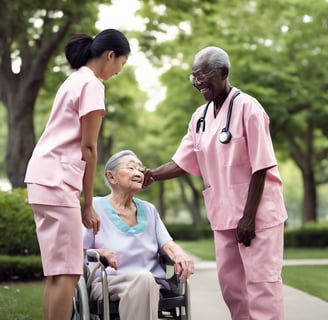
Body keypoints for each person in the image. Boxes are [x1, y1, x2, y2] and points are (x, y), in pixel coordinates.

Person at [143, 46, 288, 320]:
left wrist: (248, 216)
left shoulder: (249, 108)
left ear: (223, 73)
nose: (198, 82)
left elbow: (262, 164)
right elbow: (183, 161)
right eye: (194, 77)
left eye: (203, 76)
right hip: (223, 217)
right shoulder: (199, 117)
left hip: (257, 216)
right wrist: (152, 174)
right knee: (232, 288)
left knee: (261, 285)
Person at [24, 29, 131, 320]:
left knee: (56, 274)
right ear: (110, 56)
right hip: (58, 182)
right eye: (121, 63)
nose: (119, 71)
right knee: (69, 273)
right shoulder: (92, 85)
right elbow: (89, 147)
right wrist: (87, 204)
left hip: (42, 179)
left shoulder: (73, 80)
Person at [83, 150, 194, 320]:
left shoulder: (149, 210)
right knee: (144, 280)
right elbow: (78, 250)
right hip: (108, 283)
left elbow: (168, 244)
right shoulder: (95, 207)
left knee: (145, 280)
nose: (138, 173)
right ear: (112, 177)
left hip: (152, 283)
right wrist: (99, 253)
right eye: (131, 168)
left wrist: (179, 254)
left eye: (140, 170)